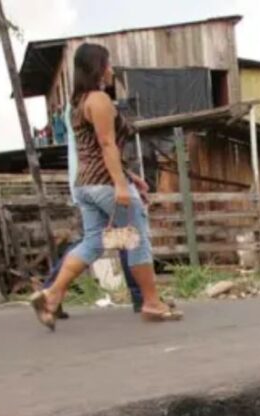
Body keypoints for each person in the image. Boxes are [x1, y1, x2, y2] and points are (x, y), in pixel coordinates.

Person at [31, 42, 180, 329]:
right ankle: (151, 302)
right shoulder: (98, 99)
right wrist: (121, 186)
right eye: (108, 63)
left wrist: (130, 176)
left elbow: (96, 149)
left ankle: (51, 295)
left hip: (86, 186)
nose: (111, 69)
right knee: (135, 237)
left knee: (93, 243)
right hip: (105, 185)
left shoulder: (77, 103)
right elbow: (107, 143)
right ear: (98, 67)